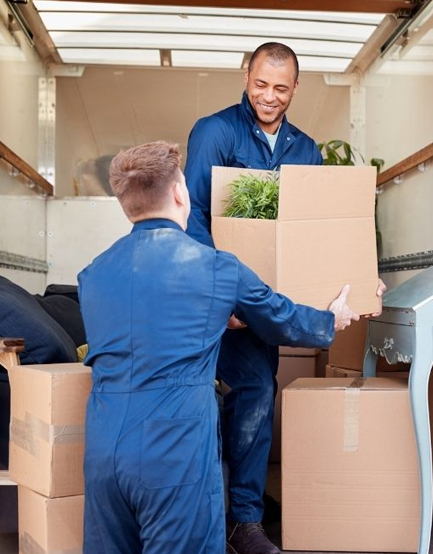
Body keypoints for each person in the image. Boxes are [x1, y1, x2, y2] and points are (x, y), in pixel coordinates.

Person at [78, 141, 359, 554]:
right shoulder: (216, 267)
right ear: (179, 192)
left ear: (126, 205)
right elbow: (282, 318)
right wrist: (330, 319)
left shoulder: (92, 275)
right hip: (174, 448)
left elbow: (146, 324)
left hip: (103, 448)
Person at [184, 42, 385, 554]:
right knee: (198, 401)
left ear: (296, 88)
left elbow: (314, 233)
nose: (268, 97)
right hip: (216, 301)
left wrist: (359, 279)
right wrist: (221, 298)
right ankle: (207, 516)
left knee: (255, 395)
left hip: (268, 304)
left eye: (280, 88)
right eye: (260, 84)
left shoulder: (306, 150)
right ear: (245, 76)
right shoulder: (215, 132)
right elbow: (194, 219)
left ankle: (244, 522)